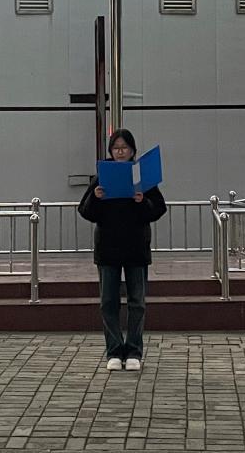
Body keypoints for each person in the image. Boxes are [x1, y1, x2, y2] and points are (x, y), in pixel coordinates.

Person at [78, 128, 166, 372]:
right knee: (108, 301)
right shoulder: (102, 176)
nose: (120, 152)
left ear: (133, 151)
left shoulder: (142, 178)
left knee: (137, 302)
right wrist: (96, 197)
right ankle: (114, 351)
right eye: (116, 148)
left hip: (136, 248)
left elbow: (159, 208)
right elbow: (85, 211)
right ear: (110, 151)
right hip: (108, 249)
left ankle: (134, 351)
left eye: (124, 148)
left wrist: (142, 202)